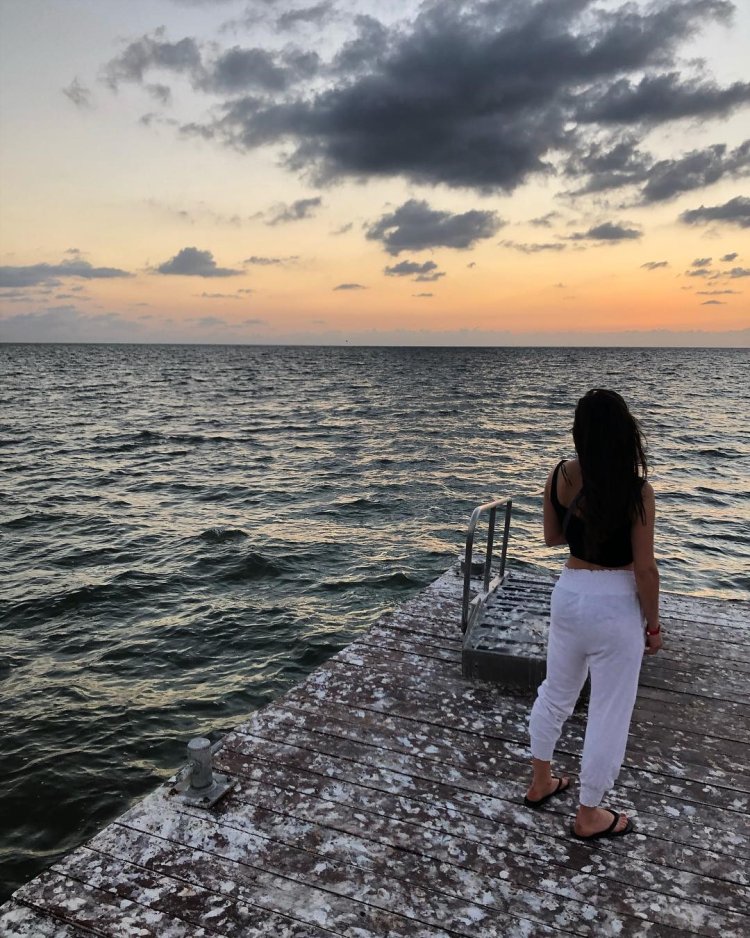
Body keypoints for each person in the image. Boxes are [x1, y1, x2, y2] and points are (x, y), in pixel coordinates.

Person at [524, 389, 663, 840]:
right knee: (608, 711)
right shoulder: (637, 490)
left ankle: (540, 781)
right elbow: (645, 569)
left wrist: (586, 527)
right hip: (615, 604)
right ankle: (588, 814)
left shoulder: (560, 475)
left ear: (579, 432)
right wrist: (653, 626)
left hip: (569, 593)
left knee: (556, 692)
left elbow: (551, 537)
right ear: (625, 432)